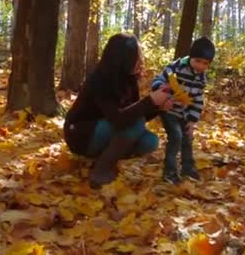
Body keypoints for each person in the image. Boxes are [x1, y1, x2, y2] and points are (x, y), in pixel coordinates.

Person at [63, 33, 173, 189]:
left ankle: (104, 157)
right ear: (121, 58)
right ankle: (102, 169)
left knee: (150, 142)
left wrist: (158, 106)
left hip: (107, 130)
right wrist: (149, 101)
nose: (140, 61)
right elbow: (119, 119)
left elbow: (135, 114)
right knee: (135, 124)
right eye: (136, 57)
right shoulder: (99, 80)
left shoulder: (129, 79)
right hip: (81, 134)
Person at [152, 37, 216, 184]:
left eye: (205, 63)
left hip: (185, 113)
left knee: (187, 138)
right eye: (198, 61)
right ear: (191, 57)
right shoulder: (177, 67)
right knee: (176, 136)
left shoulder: (201, 78)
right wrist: (161, 91)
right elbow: (158, 80)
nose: (200, 66)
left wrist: (192, 121)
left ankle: (188, 168)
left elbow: (198, 100)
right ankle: (170, 171)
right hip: (168, 109)